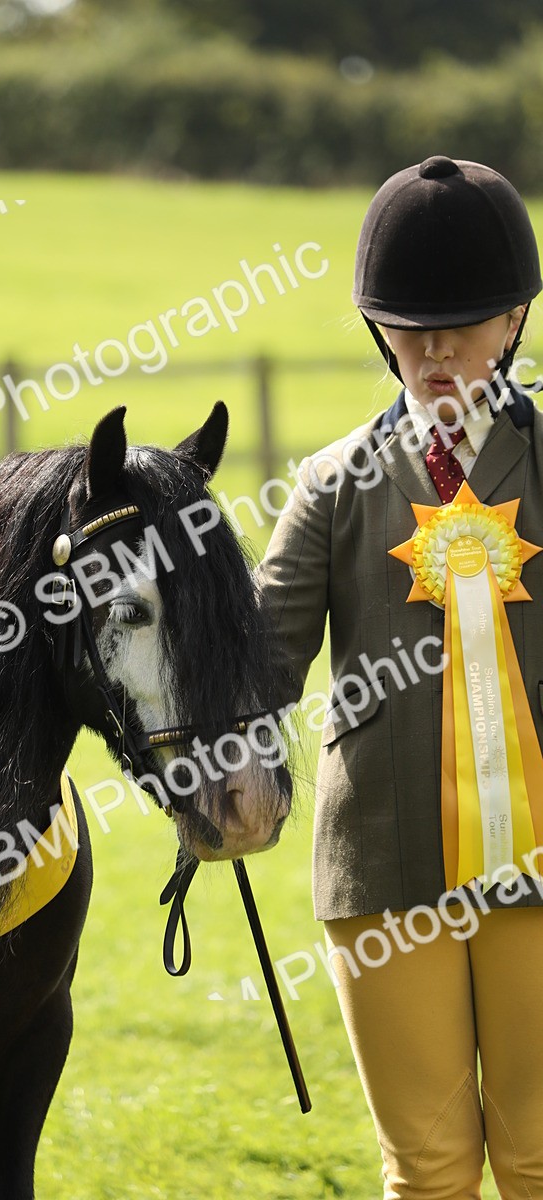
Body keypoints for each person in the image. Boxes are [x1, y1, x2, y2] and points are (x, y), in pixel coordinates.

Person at [256, 155, 543, 1199]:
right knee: (423, 1168)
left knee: (535, 1160)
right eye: (405, 326)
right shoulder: (331, 485)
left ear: (512, 317)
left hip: (539, 865)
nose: (431, 350)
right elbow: (259, 665)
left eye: (460, 324)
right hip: (382, 872)